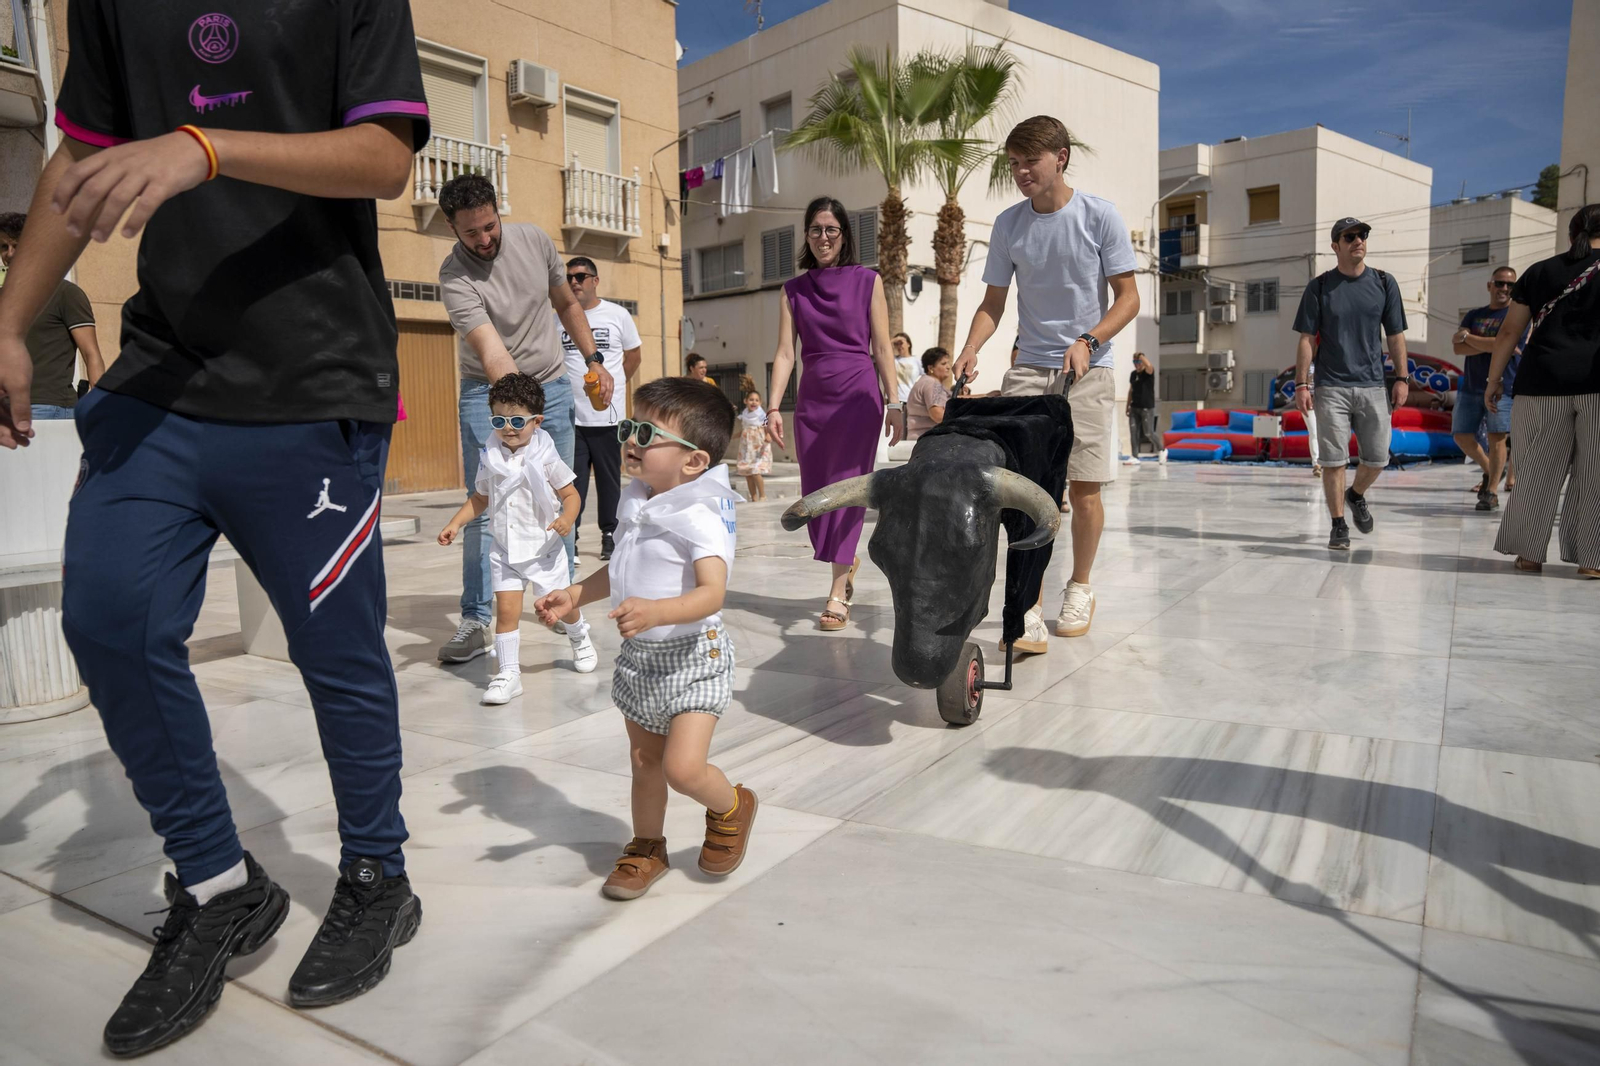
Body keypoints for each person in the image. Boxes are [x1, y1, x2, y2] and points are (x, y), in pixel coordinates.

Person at [0, 2, 431, 1053]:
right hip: (163, 376)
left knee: (334, 653)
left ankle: (378, 874)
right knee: (106, 617)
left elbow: (383, 158)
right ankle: (219, 884)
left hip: (314, 374)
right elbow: (81, 162)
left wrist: (205, 148)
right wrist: (8, 323)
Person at [534, 378, 757, 899]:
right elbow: (622, 569)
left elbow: (712, 594)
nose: (629, 439)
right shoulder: (640, 499)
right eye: (628, 427)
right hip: (642, 660)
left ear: (694, 462)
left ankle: (730, 806)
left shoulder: (701, 514)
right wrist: (575, 593)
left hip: (694, 659)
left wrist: (658, 611)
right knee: (644, 762)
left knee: (682, 768)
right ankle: (646, 846)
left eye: (645, 433)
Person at [951, 115, 1140, 647]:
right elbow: (993, 303)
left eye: (1029, 161)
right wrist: (970, 348)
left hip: (1088, 367)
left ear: (1060, 157)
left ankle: (1079, 586)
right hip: (1028, 369)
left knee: (1081, 488)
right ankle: (1027, 606)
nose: (1020, 172)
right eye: (1012, 163)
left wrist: (1088, 339)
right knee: (1024, 492)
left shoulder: (1099, 216)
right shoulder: (1009, 224)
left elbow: (1128, 299)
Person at [435, 174, 611, 664]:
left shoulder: (533, 239)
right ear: (452, 227)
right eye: (471, 233)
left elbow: (566, 302)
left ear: (498, 210)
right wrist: (519, 416)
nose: (485, 239)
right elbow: (492, 351)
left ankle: (562, 599)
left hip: (553, 383)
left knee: (560, 495)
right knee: (488, 499)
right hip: (490, 392)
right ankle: (475, 618)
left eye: (490, 226)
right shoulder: (454, 277)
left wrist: (594, 360)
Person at [767, 196, 903, 631]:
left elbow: (882, 347)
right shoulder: (793, 291)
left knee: (848, 490)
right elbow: (787, 353)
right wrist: (773, 405)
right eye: (815, 230)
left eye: (831, 229)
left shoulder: (868, 281)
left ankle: (837, 589)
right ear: (806, 236)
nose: (823, 237)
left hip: (858, 397)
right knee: (818, 492)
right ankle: (843, 566)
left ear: (844, 235)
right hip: (813, 401)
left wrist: (895, 400)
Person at [437, 373, 598, 702]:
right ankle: (508, 673)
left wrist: (567, 518)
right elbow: (480, 497)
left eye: (517, 420)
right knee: (506, 612)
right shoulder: (490, 453)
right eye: (499, 419)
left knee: (562, 606)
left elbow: (571, 495)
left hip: (544, 550)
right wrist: (455, 523)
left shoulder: (546, 454)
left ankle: (579, 634)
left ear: (537, 421)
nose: (507, 427)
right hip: (505, 550)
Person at [1485, 203, 1600, 578]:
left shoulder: (1540, 271)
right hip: (1597, 384)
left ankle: (1529, 554)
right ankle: (1592, 561)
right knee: (1596, 474)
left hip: (1541, 383)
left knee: (1535, 472)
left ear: (1571, 234)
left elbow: (1509, 332)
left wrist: (1493, 380)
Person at [1291, 217, 1409, 550]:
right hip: (1331, 386)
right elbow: (1306, 339)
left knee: (1377, 458)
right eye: (1350, 236)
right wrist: (1302, 384)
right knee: (1333, 460)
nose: (1358, 240)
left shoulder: (1385, 283)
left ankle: (1355, 494)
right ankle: (1338, 524)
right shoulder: (1321, 286)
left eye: (1362, 235)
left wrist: (1401, 378)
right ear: (1336, 246)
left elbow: (1396, 335)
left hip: (1373, 385)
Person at [561, 255, 641, 562]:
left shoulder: (617, 315)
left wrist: (615, 384)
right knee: (573, 481)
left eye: (581, 276)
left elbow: (633, 357)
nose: (574, 282)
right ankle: (573, 537)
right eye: (569, 277)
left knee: (610, 481)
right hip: (571, 418)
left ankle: (610, 535)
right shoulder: (559, 316)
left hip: (609, 417)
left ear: (595, 281)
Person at [0, 212, 104, 418]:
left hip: (46, 405)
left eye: (16, 245)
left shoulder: (65, 293)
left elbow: (91, 352)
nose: (9, 253)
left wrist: (102, 404)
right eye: (4, 246)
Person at [1452, 266, 1518, 511]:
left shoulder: (1516, 316)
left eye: (1510, 285)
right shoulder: (1473, 315)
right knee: (1461, 435)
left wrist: (1470, 338)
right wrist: (1494, 343)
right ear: (1489, 285)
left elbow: (1507, 345)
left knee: (1497, 437)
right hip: (1471, 385)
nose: (1504, 289)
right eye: (1499, 283)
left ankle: (1490, 492)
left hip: (1503, 386)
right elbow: (1457, 348)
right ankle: (1492, 470)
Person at [905, 347, 953, 440]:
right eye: (943, 364)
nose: (948, 367)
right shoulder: (933, 384)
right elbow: (938, 415)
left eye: (948, 363)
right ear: (931, 368)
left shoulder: (924, 382)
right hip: (929, 441)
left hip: (920, 440)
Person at [736, 388, 774, 500]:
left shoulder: (762, 415)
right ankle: (754, 496)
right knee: (747, 472)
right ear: (745, 401)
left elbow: (767, 424)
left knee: (756, 470)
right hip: (746, 445)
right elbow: (744, 429)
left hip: (758, 444)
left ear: (760, 402)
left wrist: (768, 434)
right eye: (751, 400)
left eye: (756, 400)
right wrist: (733, 436)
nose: (754, 402)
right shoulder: (744, 414)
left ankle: (763, 495)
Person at [1126, 351, 1156, 461]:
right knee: (1133, 433)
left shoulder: (1148, 373)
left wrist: (1141, 356)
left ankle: (1162, 450)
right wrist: (1127, 406)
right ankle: (1134, 456)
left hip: (1147, 408)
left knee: (1148, 433)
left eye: (1138, 361)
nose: (1136, 364)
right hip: (1134, 407)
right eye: (1134, 361)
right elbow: (1131, 391)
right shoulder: (1133, 374)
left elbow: (1149, 365)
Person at [892, 330, 918, 401]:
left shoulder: (916, 361)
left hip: (910, 400)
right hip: (895, 400)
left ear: (908, 344)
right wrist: (893, 340)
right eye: (896, 344)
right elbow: (883, 348)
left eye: (901, 343)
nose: (899, 346)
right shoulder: (893, 360)